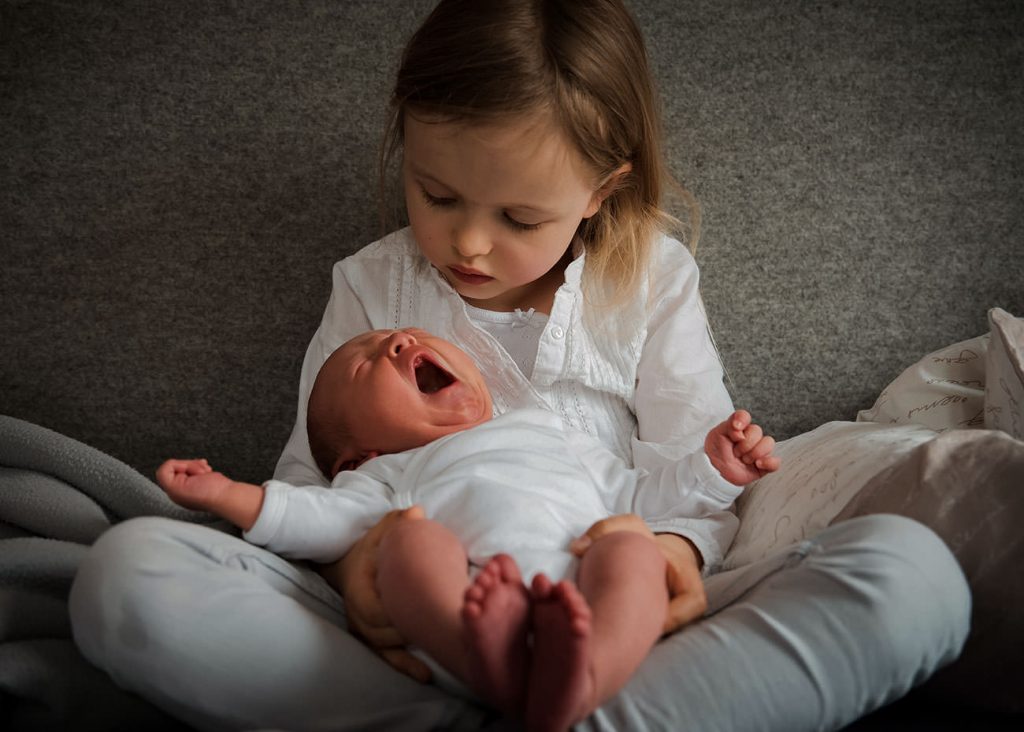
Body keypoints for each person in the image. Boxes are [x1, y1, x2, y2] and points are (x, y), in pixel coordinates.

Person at [70, 1, 970, 730]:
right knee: (125, 575)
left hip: (618, 613)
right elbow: (317, 473)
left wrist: (664, 553)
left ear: (601, 191)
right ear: (407, 147)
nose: (466, 241)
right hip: (425, 616)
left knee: (915, 575)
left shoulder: (653, 277)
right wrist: (362, 575)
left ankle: (541, 697)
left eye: (519, 219)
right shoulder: (374, 287)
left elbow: (697, 474)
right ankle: (549, 706)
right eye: (437, 193)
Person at [153, 327, 780, 730]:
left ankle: (585, 677)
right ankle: (496, 669)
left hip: (584, 590)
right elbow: (311, 520)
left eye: (401, 337)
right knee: (409, 543)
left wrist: (713, 470)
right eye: (364, 365)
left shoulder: (550, 433)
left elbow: (640, 497)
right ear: (359, 454)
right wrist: (226, 495)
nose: (394, 342)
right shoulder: (382, 475)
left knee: (634, 548)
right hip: (471, 606)